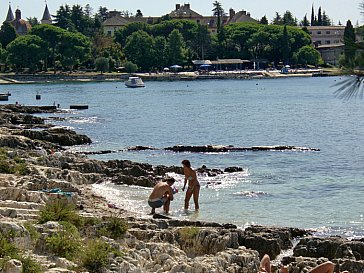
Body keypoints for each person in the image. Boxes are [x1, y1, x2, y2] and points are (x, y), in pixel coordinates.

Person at [259, 254, 350, 273]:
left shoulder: (267, 271)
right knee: (330, 264)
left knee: (330, 265)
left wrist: (261, 266)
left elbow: (266, 256)